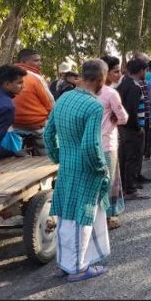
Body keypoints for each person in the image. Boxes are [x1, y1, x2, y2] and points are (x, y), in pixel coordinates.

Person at [44, 59, 111, 282]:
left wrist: (59, 157)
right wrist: (102, 168)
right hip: (86, 169)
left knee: (65, 215)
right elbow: (91, 146)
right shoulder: (93, 106)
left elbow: (48, 133)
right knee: (84, 215)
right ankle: (79, 268)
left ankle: (64, 265)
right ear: (101, 79)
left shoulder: (64, 98)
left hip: (67, 165)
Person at [99, 56, 129, 230]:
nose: (119, 74)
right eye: (116, 71)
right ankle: (109, 217)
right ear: (105, 73)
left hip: (88, 144)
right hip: (107, 144)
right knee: (110, 181)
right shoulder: (111, 93)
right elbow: (123, 118)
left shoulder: (82, 92)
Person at [116, 58, 151, 200]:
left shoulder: (123, 84)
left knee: (125, 157)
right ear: (141, 70)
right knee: (133, 158)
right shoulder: (134, 87)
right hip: (132, 129)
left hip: (123, 127)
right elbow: (131, 109)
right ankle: (130, 189)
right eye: (145, 70)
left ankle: (125, 187)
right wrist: (138, 127)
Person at [12, 48, 54, 156]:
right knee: (48, 156)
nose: (39, 63)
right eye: (36, 61)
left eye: (40, 60)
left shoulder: (7, 75)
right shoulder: (35, 77)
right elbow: (50, 102)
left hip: (13, 124)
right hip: (36, 125)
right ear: (24, 62)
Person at [0, 65, 27, 177]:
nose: (23, 86)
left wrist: (11, 153)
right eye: (19, 83)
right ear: (7, 84)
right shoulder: (5, 106)